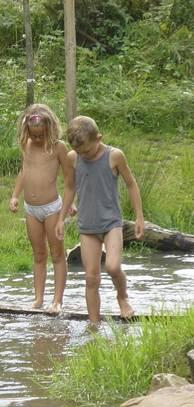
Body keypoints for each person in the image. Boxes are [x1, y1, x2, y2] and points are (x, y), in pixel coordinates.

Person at [55, 115, 144, 322]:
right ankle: (93, 325)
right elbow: (70, 187)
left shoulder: (114, 156)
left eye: (87, 150)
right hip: (87, 226)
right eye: (79, 151)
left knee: (112, 266)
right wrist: (61, 218)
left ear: (99, 138)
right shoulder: (72, 158)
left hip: (111, 223)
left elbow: (131, 184)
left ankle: (122, 297)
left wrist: (139, 217)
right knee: (91, 277)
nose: (83, 155)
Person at [9, 103, 74, 314]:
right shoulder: (27, 145)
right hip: (31, 210)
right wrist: (15, 195)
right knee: (38, 254)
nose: (37, 139)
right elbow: (24, 171)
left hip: (52, 208)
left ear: (51, 130)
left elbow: (69, 180)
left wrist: (69, 203)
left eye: (40, 136)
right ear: (27, 131)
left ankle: (57, 300)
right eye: (33, 135)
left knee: (57, 253)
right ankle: (38, 298)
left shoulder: (58, 147)